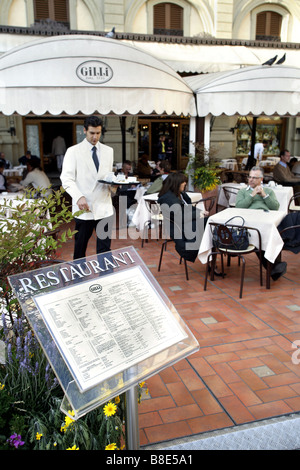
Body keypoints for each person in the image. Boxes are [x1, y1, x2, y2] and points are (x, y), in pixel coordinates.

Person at [61, 115, 114, 260]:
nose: (95, 137)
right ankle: (79, 277)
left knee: (105, 248)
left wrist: (115, 185)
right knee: (80, 247)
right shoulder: (73, 151)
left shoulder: (109, 151)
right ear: (84, 130)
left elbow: (107, 176)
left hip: (104, 207)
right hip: (84, 208)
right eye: (92, 133)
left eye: (98, 133)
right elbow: (66, 179)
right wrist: (79, 197)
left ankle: (105, 276)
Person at [235, 166, 286, 281]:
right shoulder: (243, 191)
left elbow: (275, 207)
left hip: (265, 220)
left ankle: (274, 267)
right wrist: (252, 195)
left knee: (271, 234)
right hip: (249, 223)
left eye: (254, 177)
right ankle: (274, 268)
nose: (251, 180)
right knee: (262, 237)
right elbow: (239, 207)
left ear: (261, 179)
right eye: (250, 177)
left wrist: (264, 195)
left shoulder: (268, 191)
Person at [157, 172, 208, 263]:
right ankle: (212, 257)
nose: (185, 184)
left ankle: (210, 257)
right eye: (183, 182)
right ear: (176, 183)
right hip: (179, 229)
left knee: (208, 228)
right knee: (209, 228)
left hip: (184, 225)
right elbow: (179, 217)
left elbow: (187, 209)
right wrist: (197, 214)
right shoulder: (168, 198)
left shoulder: (177, 194)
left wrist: (200, 212)